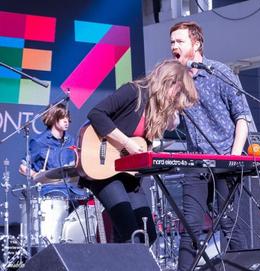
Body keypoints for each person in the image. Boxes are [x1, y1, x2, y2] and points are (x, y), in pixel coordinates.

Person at [81, 59, 198, 245]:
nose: (178, 98)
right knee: (130, 232)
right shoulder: (134, 91)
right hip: (104, 169)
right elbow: (96, 114)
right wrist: (126, 143)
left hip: (129, 176)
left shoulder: (157, 111)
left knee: (147, 235)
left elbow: (161, 133)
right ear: (170, 82)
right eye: (179, 91)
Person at [170, 21, 252, 270]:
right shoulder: (176, 80)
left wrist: (235, 157)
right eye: (172, 42)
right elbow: (173, 124)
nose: (174, 46)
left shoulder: (218, 72)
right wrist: (170, 99)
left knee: (230, 224)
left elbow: (243, 117)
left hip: (224, 159)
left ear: (196, 44)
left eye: (179, 41)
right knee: (191, 227)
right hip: (196, 163)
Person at [19, 103, 86, 244]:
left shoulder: (71, 140)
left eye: (67, 117)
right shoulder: (39, 142)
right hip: (51, 191)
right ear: (53, 118)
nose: (66, 121)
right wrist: (36, 176)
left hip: (72, 189)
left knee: (90, 200)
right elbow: (23, 167)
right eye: (62, 118)